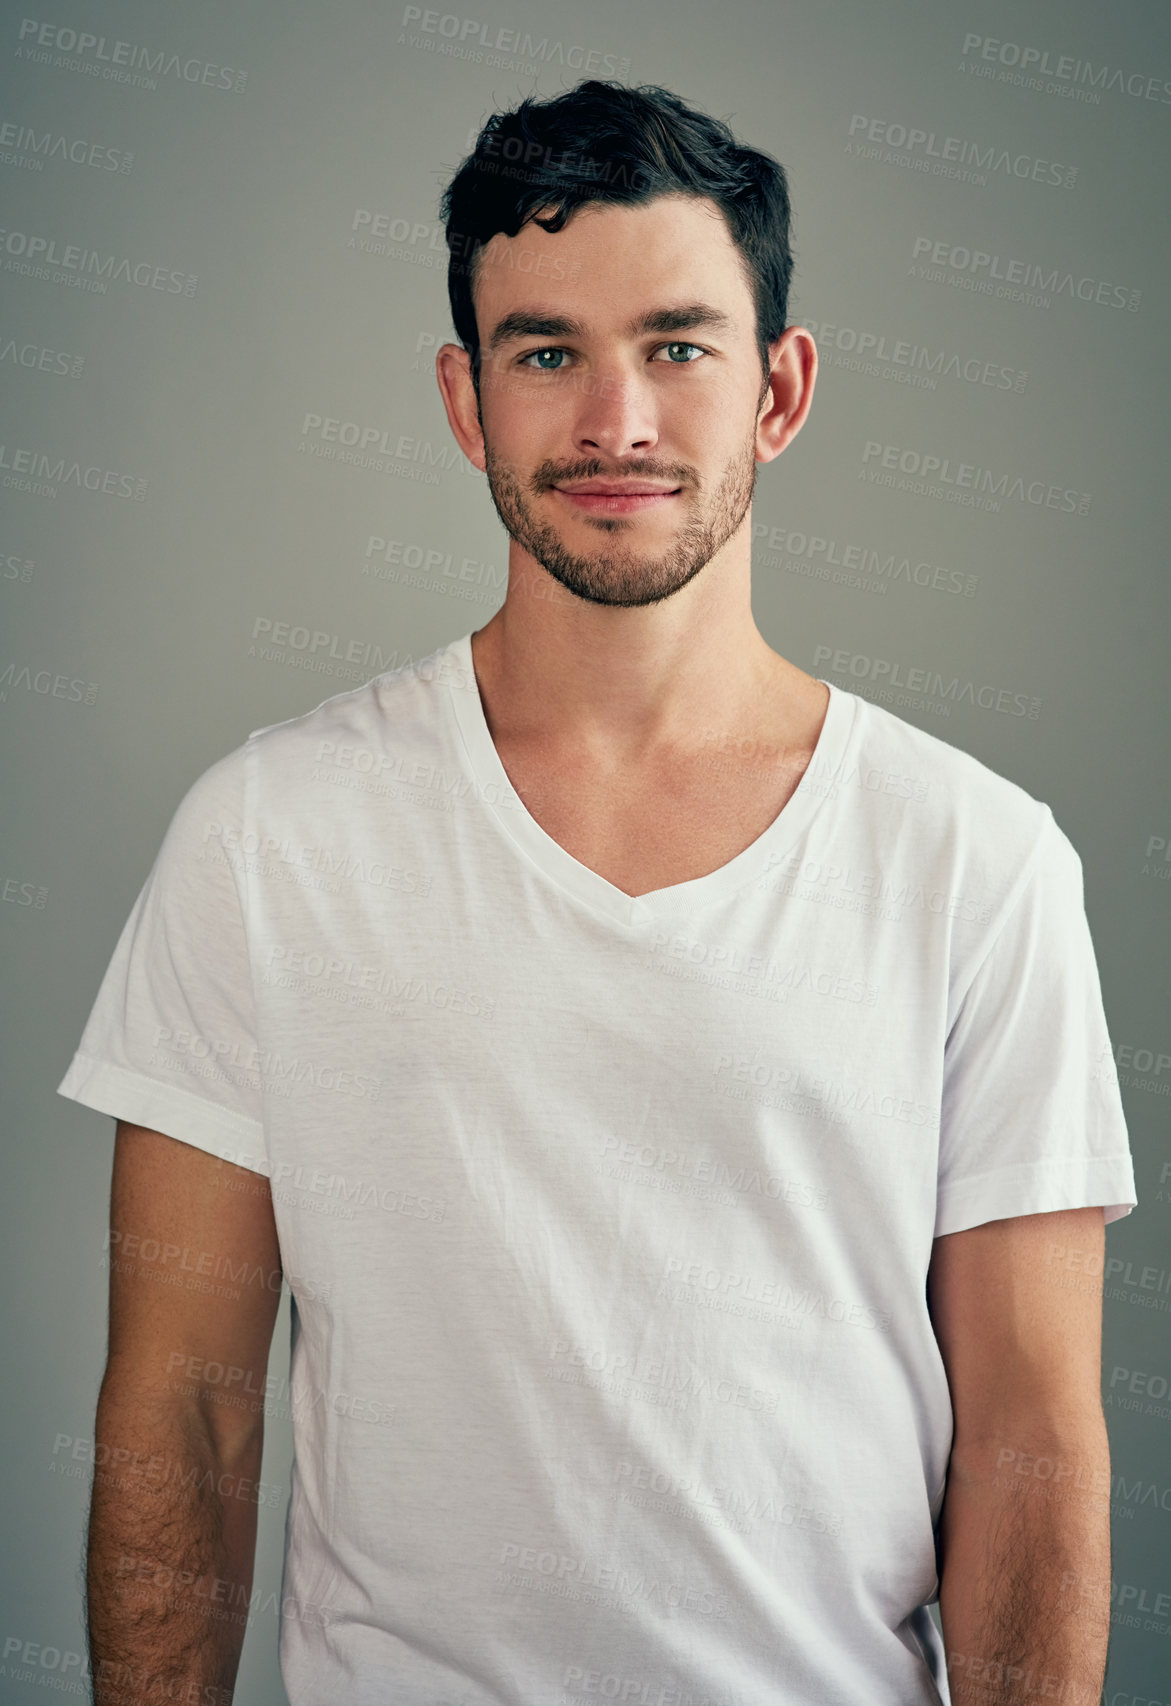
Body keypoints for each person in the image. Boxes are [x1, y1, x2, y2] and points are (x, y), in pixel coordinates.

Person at [58, 79, 1136, 1706]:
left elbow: (1034, 1443)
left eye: (679, 346)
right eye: (546, 352)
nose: (615, 420)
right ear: (462, 399)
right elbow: (179, 1414)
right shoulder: (264, 839)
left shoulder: (978, 863)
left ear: (782, 389)